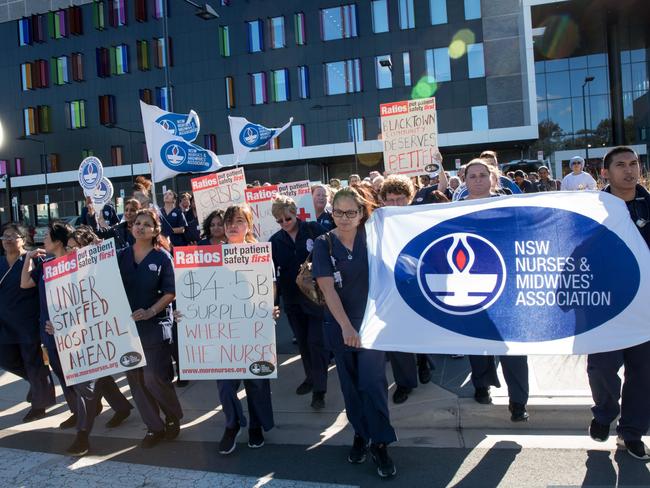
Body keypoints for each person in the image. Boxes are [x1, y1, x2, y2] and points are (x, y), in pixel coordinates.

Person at [313, 187, 397, 479]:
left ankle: (381, 442)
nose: (344, 218)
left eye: (351, 212)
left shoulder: (373, 238)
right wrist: (347, 327)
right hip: (340, 327)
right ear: (331, 213)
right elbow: (326, 288)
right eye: (338, 212)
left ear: (362, 213)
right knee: (350, 387)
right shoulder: (324, 244)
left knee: (373, 384)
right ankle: (361, 434)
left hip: (372, 327)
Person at [45, 226, 133, 456]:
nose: (72, 252)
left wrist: (101, 251)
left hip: (100, 334)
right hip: (77, 337)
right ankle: (123, 407)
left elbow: (123, 257)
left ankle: (82, 436)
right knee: (93, 380)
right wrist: (57, 324)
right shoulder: (64, 272)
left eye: (76, 248)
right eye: (70, 248)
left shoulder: (103, 266)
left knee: (85, 386)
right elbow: (62, 304)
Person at [588, 146, 650, 460]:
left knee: (643, 374)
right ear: (605, 172)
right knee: (601, 369)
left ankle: (632, 434)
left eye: (634, 164)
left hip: (645, 311)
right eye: (621, 165)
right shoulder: (593, 209)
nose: (629, 170)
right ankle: (604, 412)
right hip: (605, 308)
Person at [463, 160, 530, 422]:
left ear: (493, 179)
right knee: (476, 341)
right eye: (473, 176)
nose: (478, 180)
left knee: (512, 346)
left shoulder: (508, 208)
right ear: (465, 180)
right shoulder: (453, 211)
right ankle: (481, 385)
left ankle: (518, 401)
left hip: (507, 286)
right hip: (472, 286)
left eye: (483, 175)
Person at [214, 205, 278, 455]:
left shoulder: (259, 253)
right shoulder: (213, 255)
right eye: (228, 220)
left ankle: (256, 425)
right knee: (225, 383)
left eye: (239, 220)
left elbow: (269, 286)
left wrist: (270, 308)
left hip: (254, 327)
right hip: (224, 330)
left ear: (249, 225)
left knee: (256, 382)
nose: (232, 225)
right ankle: (233, 423)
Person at [117, 209, 183, 448]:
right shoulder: (120, 256)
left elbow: (171, 292)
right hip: (127, 329)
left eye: (147, 224)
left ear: (156, 230)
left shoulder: (162, 258)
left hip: (155, 324)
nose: (140, 227)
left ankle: (172, 415)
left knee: (153, 377)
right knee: (136, 380)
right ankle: (154, 427)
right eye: (137, 223)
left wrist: (151, 312)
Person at [379, 176, 435, 405]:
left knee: (421, 331)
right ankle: (405, 382)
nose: (395, 204)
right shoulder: (378, 222)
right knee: (397, 337)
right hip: (391, 288)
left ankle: (424, 360)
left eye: (400, 199)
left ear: (409, 198)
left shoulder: (420, 219)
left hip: (418, 285)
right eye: (389, 199)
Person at [270, 195, 329, 409]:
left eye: (287, 218)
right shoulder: (275, 241)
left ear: (295, 213)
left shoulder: (313, 229)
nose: (284, 223)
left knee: (316, 342)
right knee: (303, 342)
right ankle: (310, 377)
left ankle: (320, 390)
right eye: (279, 220)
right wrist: (272, 301)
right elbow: (270, 274)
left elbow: (332, 251)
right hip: (292, 299)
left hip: (316, 297)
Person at [20, 220, 78, 428]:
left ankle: (85, 412)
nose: (42, 240)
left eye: (46, 237)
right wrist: (28, 258)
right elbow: (25, 283)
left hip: (73, 330)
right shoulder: (45, 265)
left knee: (78, 375)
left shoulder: (75, 263)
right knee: (62, 374)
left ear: (58, 241)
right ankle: (77, 411)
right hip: (49, 330)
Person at [0, 223, 55, 423]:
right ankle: (38, 383)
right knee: (6, 359)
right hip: (4, 324)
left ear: (24, 240)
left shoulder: (33, 259)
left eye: (13, 236)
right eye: (4, 236)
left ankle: (40, 405)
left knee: (33, 363)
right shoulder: (0, 262)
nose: (7, 240)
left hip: (27, 322)